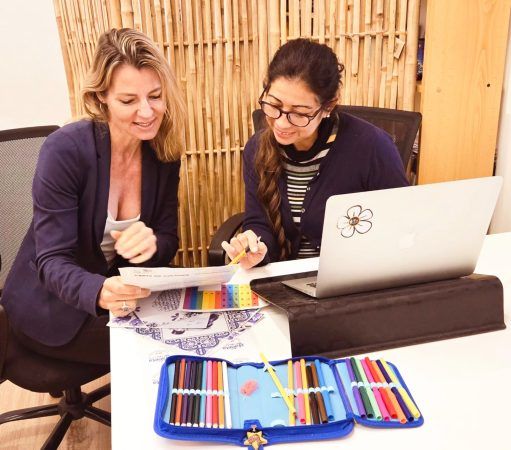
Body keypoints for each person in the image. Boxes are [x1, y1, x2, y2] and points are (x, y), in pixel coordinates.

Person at [1, 28, 186, 365]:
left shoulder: (164, 152)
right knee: (163, 349)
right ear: (102, 97)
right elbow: (52, 260)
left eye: (155, 96)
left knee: (191, 328)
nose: (147, 112)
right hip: (53, 304)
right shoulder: (65, 150)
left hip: (120, 292)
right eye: (128, 101)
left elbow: (168, 238)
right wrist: (98, 290)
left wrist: (153, 244)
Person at [222, 38, 408, 269]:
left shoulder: (373, 147)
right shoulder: (256, 149)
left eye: (300, 113)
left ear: (328, 106)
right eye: (274, 105)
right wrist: (255, 248)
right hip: (282, 280)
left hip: (354, 277)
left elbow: (400, 226)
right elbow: (260, 224)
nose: (281, 123)